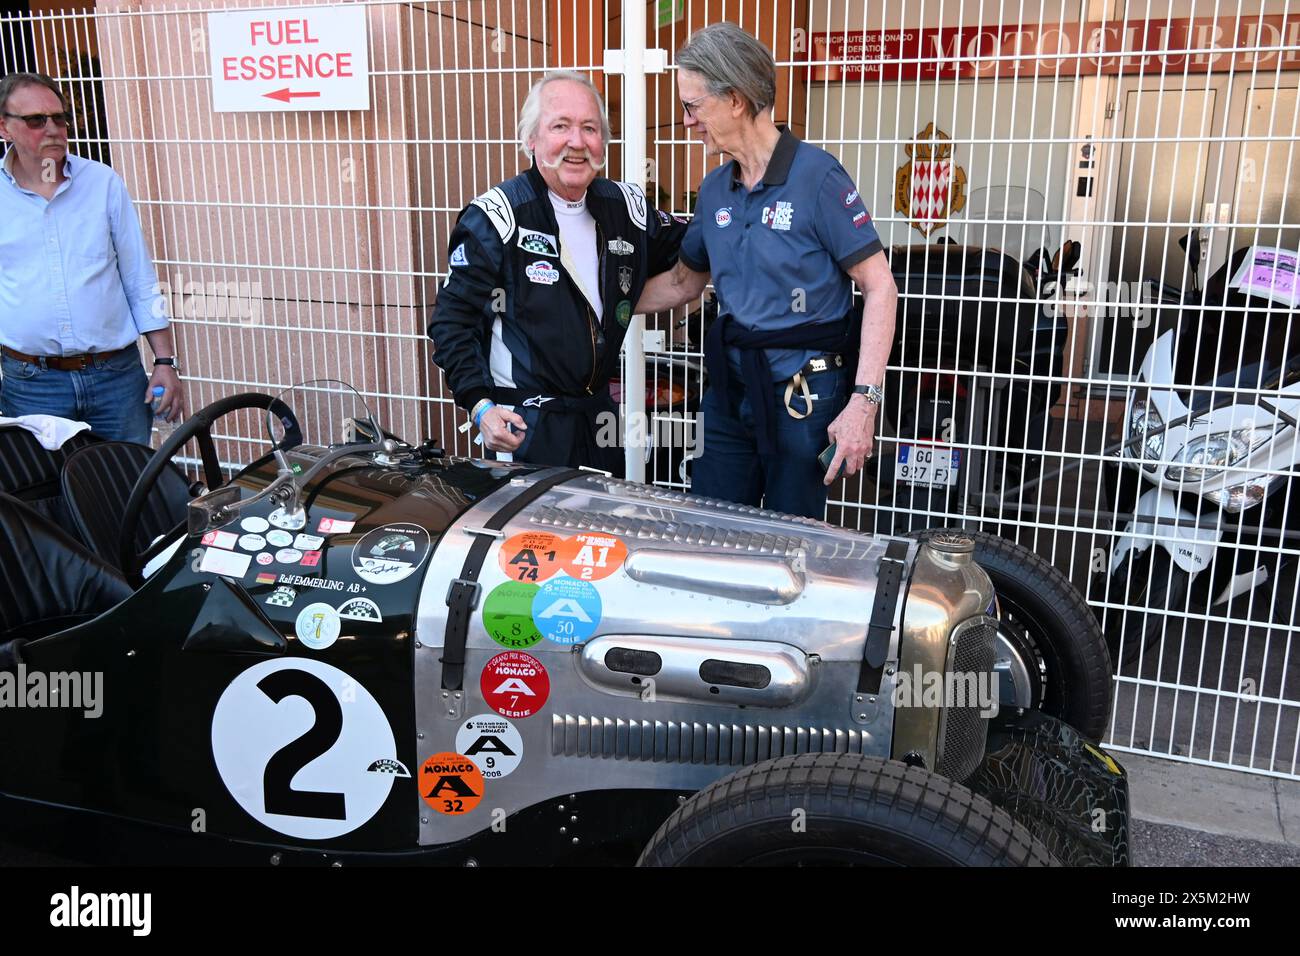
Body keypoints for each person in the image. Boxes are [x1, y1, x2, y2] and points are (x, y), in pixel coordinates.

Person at [635, 23, 898, 519]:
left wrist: (864, 402)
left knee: (792, 542)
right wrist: (602, 306)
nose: (687, 121)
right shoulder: (714, 189)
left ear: (735, 99)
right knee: (714, 527)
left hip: (804, 397)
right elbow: (681, 283)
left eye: (693, 106)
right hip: (732, 391)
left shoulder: (817, 178)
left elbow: (880, 286)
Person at [427, 70, 686, 474]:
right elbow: (450, 323)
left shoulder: (626, 209)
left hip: (600, 420)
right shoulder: (497, 217)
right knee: (533, 539)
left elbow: (696, 244)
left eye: (590, 128)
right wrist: (481, 407)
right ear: (531, 140)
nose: (577, 142)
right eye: (560, 126)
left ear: (603, 141)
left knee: (603, 534)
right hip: (526, 428)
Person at [0, 72, 185, 445]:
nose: (52, 129)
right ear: (4, 128)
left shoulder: (102, 184)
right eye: (37, 120)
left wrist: (165, 362)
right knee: (43, 498)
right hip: (32, 384)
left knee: (124, 489)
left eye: (60, 117)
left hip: (115, 379)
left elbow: (138, 278)